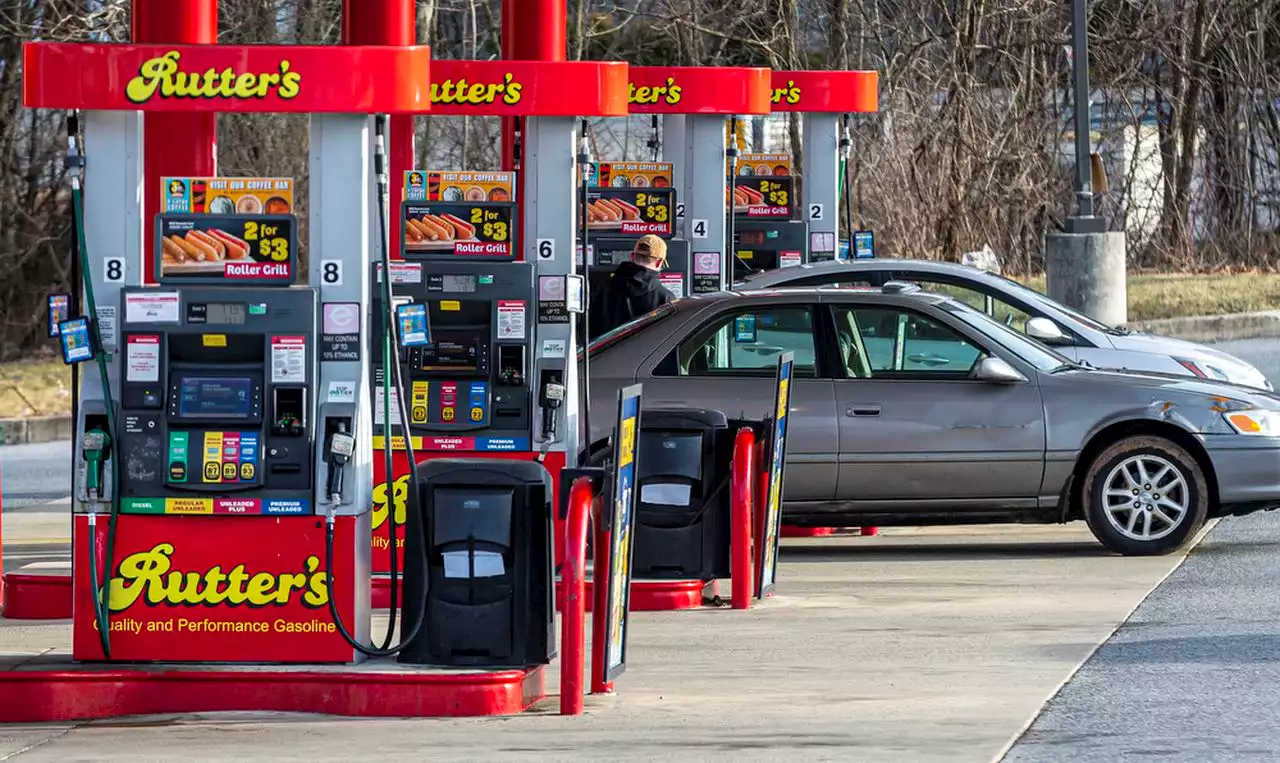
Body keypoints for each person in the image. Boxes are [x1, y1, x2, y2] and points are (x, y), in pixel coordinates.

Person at [586, 234, 675, 341]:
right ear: (660, 262)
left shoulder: (600, 287)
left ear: (632, 256)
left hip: (601, 356)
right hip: (644, 357)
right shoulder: (666, 299)